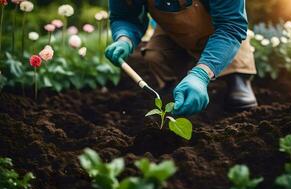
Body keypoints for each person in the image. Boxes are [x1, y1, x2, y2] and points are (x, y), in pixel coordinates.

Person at [105, 0, 257, 116]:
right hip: (173, 33)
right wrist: (124, 38)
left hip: (220, 31)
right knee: (155, 55)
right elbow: (125, 16)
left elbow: (230, 26)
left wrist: (201, 74)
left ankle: (237, 78)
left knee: (238, 99)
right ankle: (176, 92)